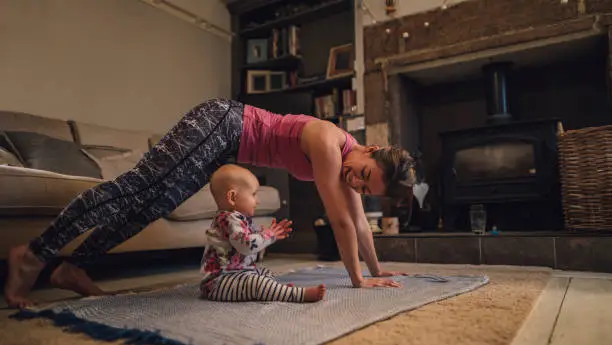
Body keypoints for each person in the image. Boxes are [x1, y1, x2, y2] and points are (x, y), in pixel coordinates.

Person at [4, 98, 419, 309]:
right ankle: (34, 254)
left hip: (224, 146)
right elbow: (342, 221)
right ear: (371, 148)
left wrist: (379, 271)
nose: (355, 183)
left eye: (365, 189)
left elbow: (361, 222)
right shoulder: (331, 142)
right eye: (363, 175)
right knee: (137, 188)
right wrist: (358, 280)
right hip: (221, 122)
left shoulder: (351, 162)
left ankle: (74, 267)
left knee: (150, 207)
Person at [200, 164, 325, 303]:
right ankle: (297, 295)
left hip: (238, 274)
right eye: (253, 194)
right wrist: (269, 235)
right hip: (219, 282)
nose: (257, 200)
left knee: (264, 273)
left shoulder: (238, 219)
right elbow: (246, 245)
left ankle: (275, 290)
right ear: (233, 197)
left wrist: (266, 234)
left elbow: (249, 247)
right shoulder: (228, 220)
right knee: (257, 282)